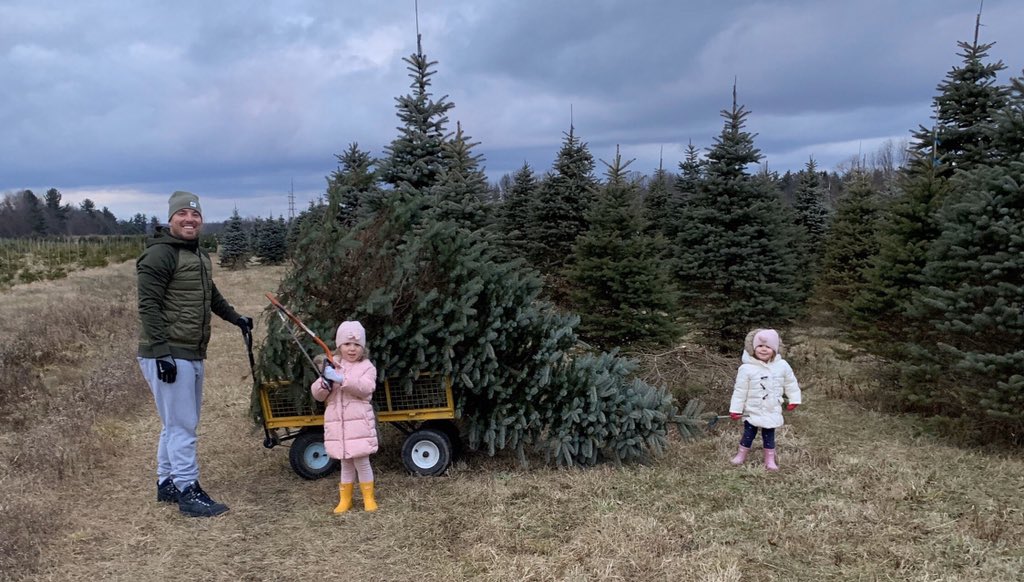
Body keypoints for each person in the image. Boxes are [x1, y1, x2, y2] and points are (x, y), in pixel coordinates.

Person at [136, 190, 253, 517]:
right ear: (171, 218)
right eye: (182, 214)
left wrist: (235, 318)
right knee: (183, 425)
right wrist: (162, 353)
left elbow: (209, 294)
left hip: (190, 350)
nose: (190, 219)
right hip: (169, 351)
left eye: (195, 214)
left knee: (174, 422)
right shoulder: (159, 255)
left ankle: (167, 483)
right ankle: (188, 490)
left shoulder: (198, 255)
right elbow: (148, 306)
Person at [311, 320, 379, 513]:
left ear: (363, 348)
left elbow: (366, 388)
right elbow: (318, 395)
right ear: (339, 345)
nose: (352, 349)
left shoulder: (366, 367)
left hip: (358, 425)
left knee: (362, 461)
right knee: (345, 463)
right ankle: (345, 500)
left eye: (356, 344)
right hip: (338, 425)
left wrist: (342, 379)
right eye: (347, 344)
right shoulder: (332, 365)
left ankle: (368, 498)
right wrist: (324, 383)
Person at [728, 328, 801, 471]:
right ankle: (741, 455)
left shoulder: (782, 366)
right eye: (760, 346)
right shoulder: (746, 368)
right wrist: (735, 409)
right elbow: (740, 391)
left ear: (774, 349)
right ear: (753, 348)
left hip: (771, 408)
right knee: (748, 433)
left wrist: (794, 399)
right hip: (752, 409)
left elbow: (791, 383)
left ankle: (769, 460)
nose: (763, 349)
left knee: (769, 435)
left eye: (768, 347)